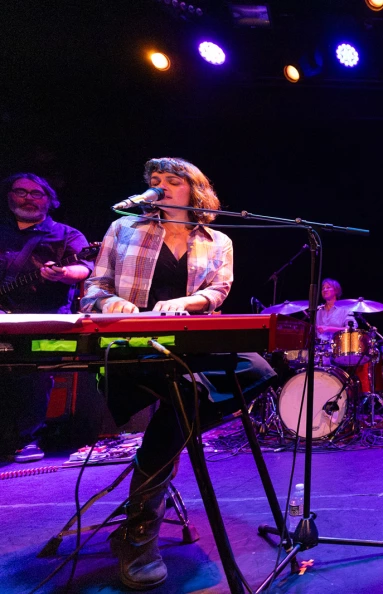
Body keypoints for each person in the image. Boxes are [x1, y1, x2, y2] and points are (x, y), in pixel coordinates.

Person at [80, 157, 275, 589]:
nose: (161, 187)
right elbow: (95, 286)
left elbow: (219, 290)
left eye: (172, 181)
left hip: (187, 343)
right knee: (185, 395)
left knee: (257, 367)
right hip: (134, 346)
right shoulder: (124, 229)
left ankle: (139, 517)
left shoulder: (217, 240)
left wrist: (189, 303)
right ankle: (140, 534)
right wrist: (110, 304)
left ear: (194, 190)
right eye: (155, 181)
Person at [0, 173, 93, 463]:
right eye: (21, 192)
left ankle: (27, 440)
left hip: (43, 318)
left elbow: (85, 268)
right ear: (9, 196)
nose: (28, 198)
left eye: (36, 193)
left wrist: (63, 273)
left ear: (49, 200)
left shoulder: (67, 235)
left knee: (33, 376)